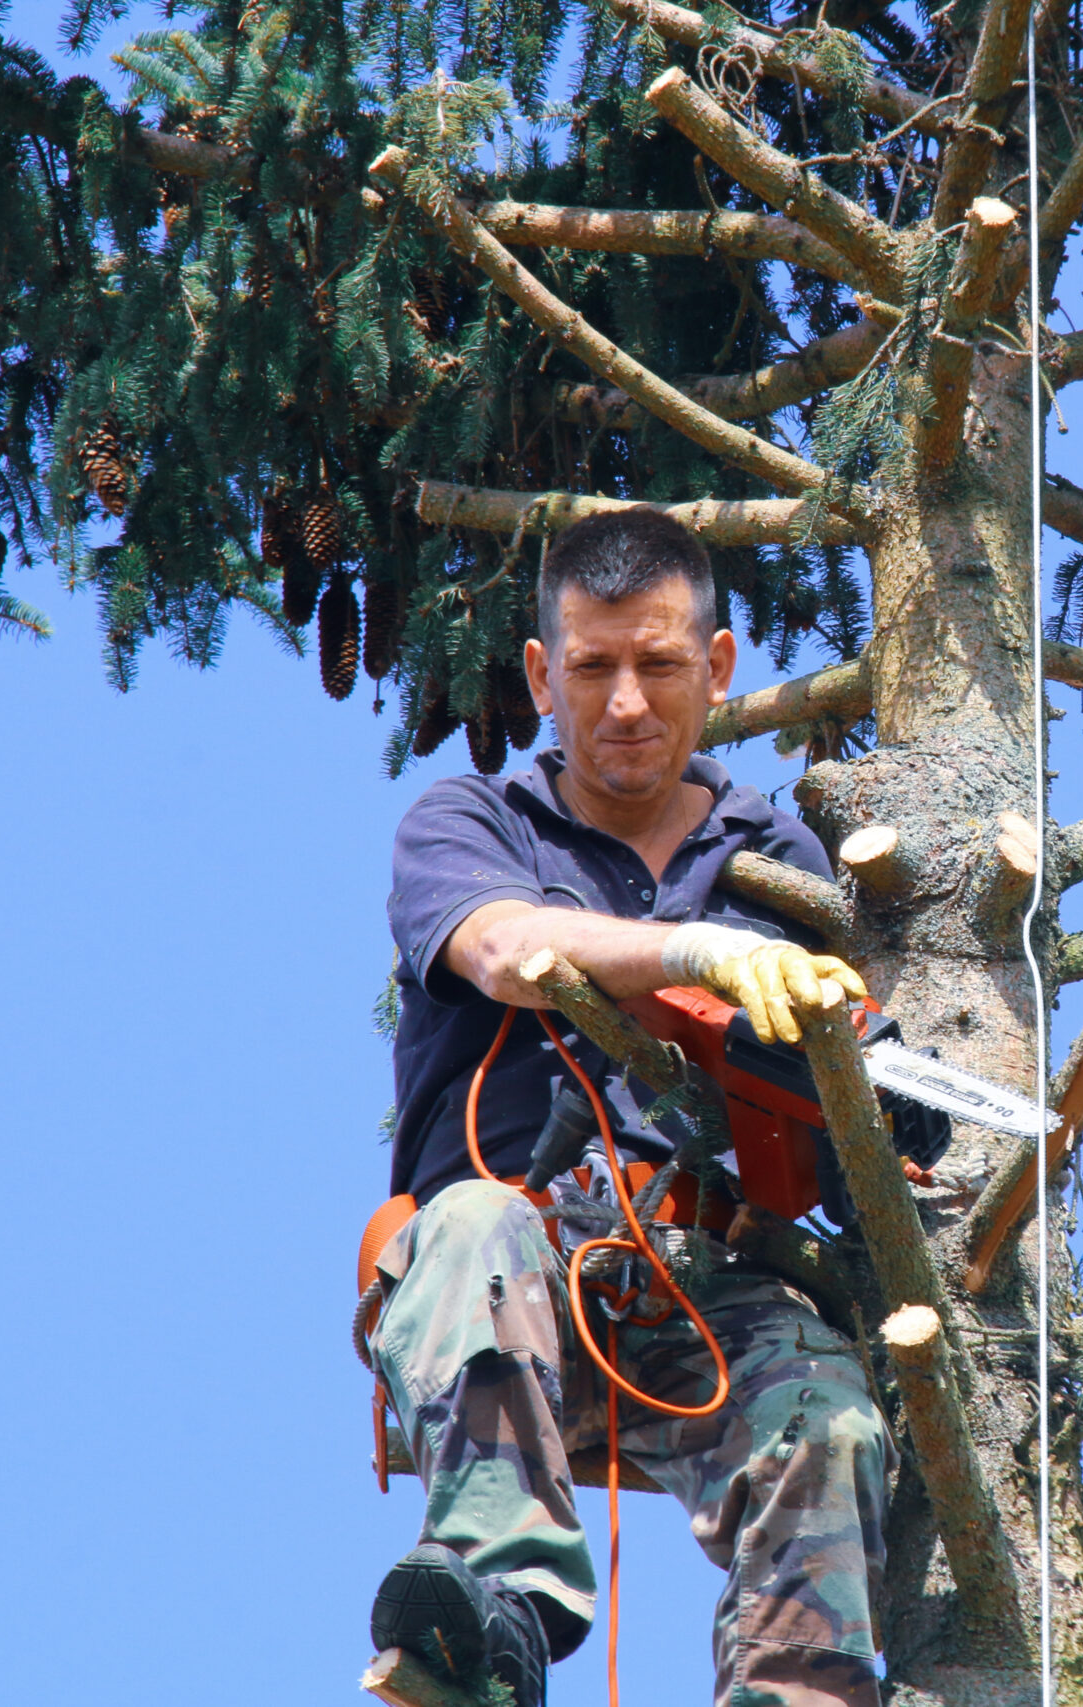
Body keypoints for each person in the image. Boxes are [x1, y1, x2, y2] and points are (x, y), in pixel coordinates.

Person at [368, 509, 889, 1707]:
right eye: (592, 669)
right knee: (465, 1228)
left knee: (833, 1418)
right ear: (544, 675)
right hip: (519, 1271)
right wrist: (693, 952)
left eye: (658, 667)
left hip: (710, 1279)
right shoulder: (472, 823)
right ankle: (491, 1620)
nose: (625, 705)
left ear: (715, 667)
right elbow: (501, 946)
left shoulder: (775, 856)